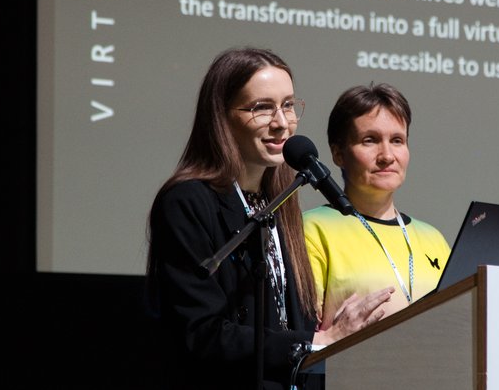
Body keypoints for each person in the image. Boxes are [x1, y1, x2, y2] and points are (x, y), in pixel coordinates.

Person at [146, 47, 394, 390]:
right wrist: (315, 342)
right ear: (221, 116)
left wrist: (327, 334)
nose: (281, 123)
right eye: (262, 108)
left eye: (288, 105)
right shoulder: (187, 202)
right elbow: (201, 332)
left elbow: (284, 320)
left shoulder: (282, 204)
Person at [303, 83, 451, 330]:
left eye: (397, 140)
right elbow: (306, 333)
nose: (387, 155)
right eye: (370, 140)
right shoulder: (313, 228)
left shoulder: (432, 237)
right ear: (338, 153)